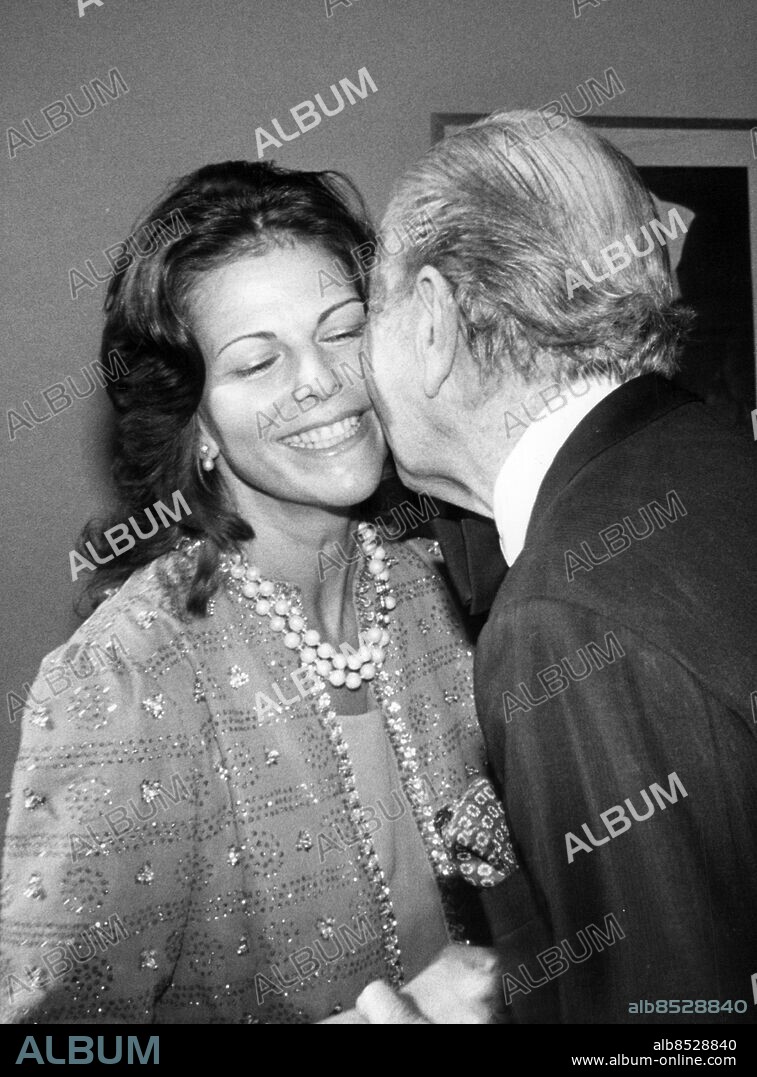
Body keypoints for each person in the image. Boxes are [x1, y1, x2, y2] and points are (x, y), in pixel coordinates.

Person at [0, 160, 509, 1024]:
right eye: (258, 360)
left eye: (343, 331)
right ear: (197, 422)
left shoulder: (439, 590)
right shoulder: (126, 679)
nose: (319, 379)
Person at [364, 110, 757, 1023]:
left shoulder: (564, 615)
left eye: (366, 319)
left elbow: (672, 1034)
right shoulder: (710, 450)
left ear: (430, 322)